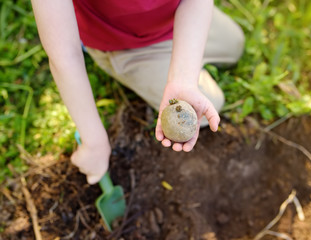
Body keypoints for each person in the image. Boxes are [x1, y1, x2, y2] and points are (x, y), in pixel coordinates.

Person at [31, 0, 245, 184]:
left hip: (173, 17)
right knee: (212, 102)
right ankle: (108, 55)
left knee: (234, 44)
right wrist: (94, 141)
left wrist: (183, 78)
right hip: (123, 41)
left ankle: (174, 53)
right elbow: (64, 56)